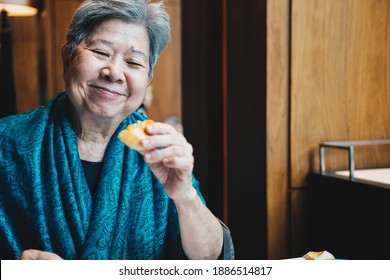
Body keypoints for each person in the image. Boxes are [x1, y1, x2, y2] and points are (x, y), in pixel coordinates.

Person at [0, 0, 234, 260]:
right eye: (101, 52)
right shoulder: (7, 142)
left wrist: (186, 196)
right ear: (67, 58)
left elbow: (211, 259)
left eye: (133, 63)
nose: (114, 73)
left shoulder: (158, 147)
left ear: (147, 80)